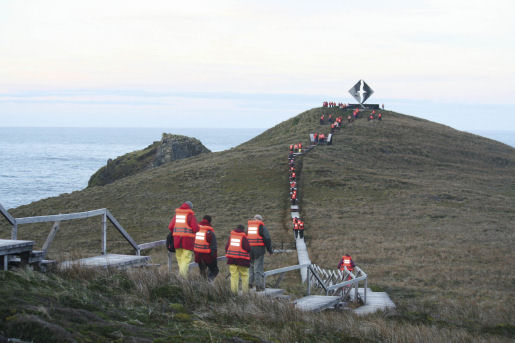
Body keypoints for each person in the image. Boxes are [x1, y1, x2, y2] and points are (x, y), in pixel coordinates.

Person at [169, 201, 199, 277]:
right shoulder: (190, 215)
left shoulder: (177, 215)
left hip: (177, 241)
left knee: (180, 260)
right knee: (185, 260)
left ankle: (181, 276)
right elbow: (195, 228)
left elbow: (170, 227)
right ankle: (182, 278)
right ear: (190, 207)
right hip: (187, 242)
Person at [247, 214, 273, 291]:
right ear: (260, 220)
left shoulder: (249, 227)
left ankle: (249, 284)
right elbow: (267, 239)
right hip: (259, 250)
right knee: (258, 267)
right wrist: (270, 250)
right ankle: (258, 286)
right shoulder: (261, 226)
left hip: (249, 250)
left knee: (251, 267)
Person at [226, 224, 251, 294]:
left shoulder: (231, 237)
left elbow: (226, 247)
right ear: (243, 230)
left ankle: (234, 293)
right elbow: (248, 248)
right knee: (245, 275)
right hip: (242, 260)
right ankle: (245, 293)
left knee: (234, 276)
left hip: (232, 260)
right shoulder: (243, 237)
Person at [193, 215, 219, 281]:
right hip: (208, 256)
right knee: (215, 270)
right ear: (210, 222)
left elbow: (193, 243)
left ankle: (202, 287)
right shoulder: (210, 232)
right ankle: (209, 282)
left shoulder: (197, 230)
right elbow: (213, 247)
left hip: (198, 256)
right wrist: (214, 257)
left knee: (202, 273)